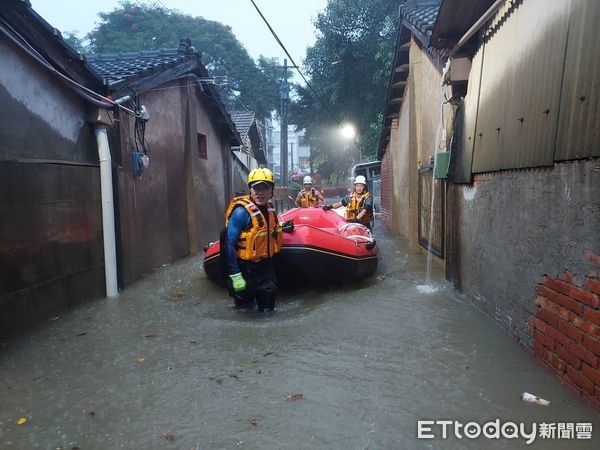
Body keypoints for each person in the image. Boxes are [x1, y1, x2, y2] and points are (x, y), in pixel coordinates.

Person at [223, 168, 282, 312]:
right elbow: (228, 244)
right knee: (245, 312)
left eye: (265, 188)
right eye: (256, 188)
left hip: (265, 270)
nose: (260, 192)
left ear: (271, 191)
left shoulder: (270, 210)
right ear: (250, 189)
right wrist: (235, 275)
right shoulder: (240, 213)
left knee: (269, 311)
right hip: (244, 270)